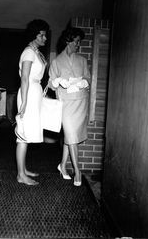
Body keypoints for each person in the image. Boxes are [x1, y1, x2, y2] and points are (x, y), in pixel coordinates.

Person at [48, 27, 91, 186]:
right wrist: (57, 82)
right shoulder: (56, 61)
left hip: (80, 101)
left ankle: (62, 165)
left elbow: (88, 77)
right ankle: (78, 172)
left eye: (79, 41)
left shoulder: (82, 60)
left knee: (70, 136)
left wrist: (84, 81)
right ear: (68, 41)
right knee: (71, 135)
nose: (78, 44)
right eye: (77, 41)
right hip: (65, 103)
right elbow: (51, 84)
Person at [15, 19, 49, 185]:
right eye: (42, 34)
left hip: (34, 93)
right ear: (34, 35)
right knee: (22, 134)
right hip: (27, 94)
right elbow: (25, 78)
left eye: (45, 35)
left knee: (27, 133)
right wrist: (24, 102)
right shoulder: (28, 52)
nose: (45, 38)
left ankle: (23, 169)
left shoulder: (35, 52)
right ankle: (21, 175)